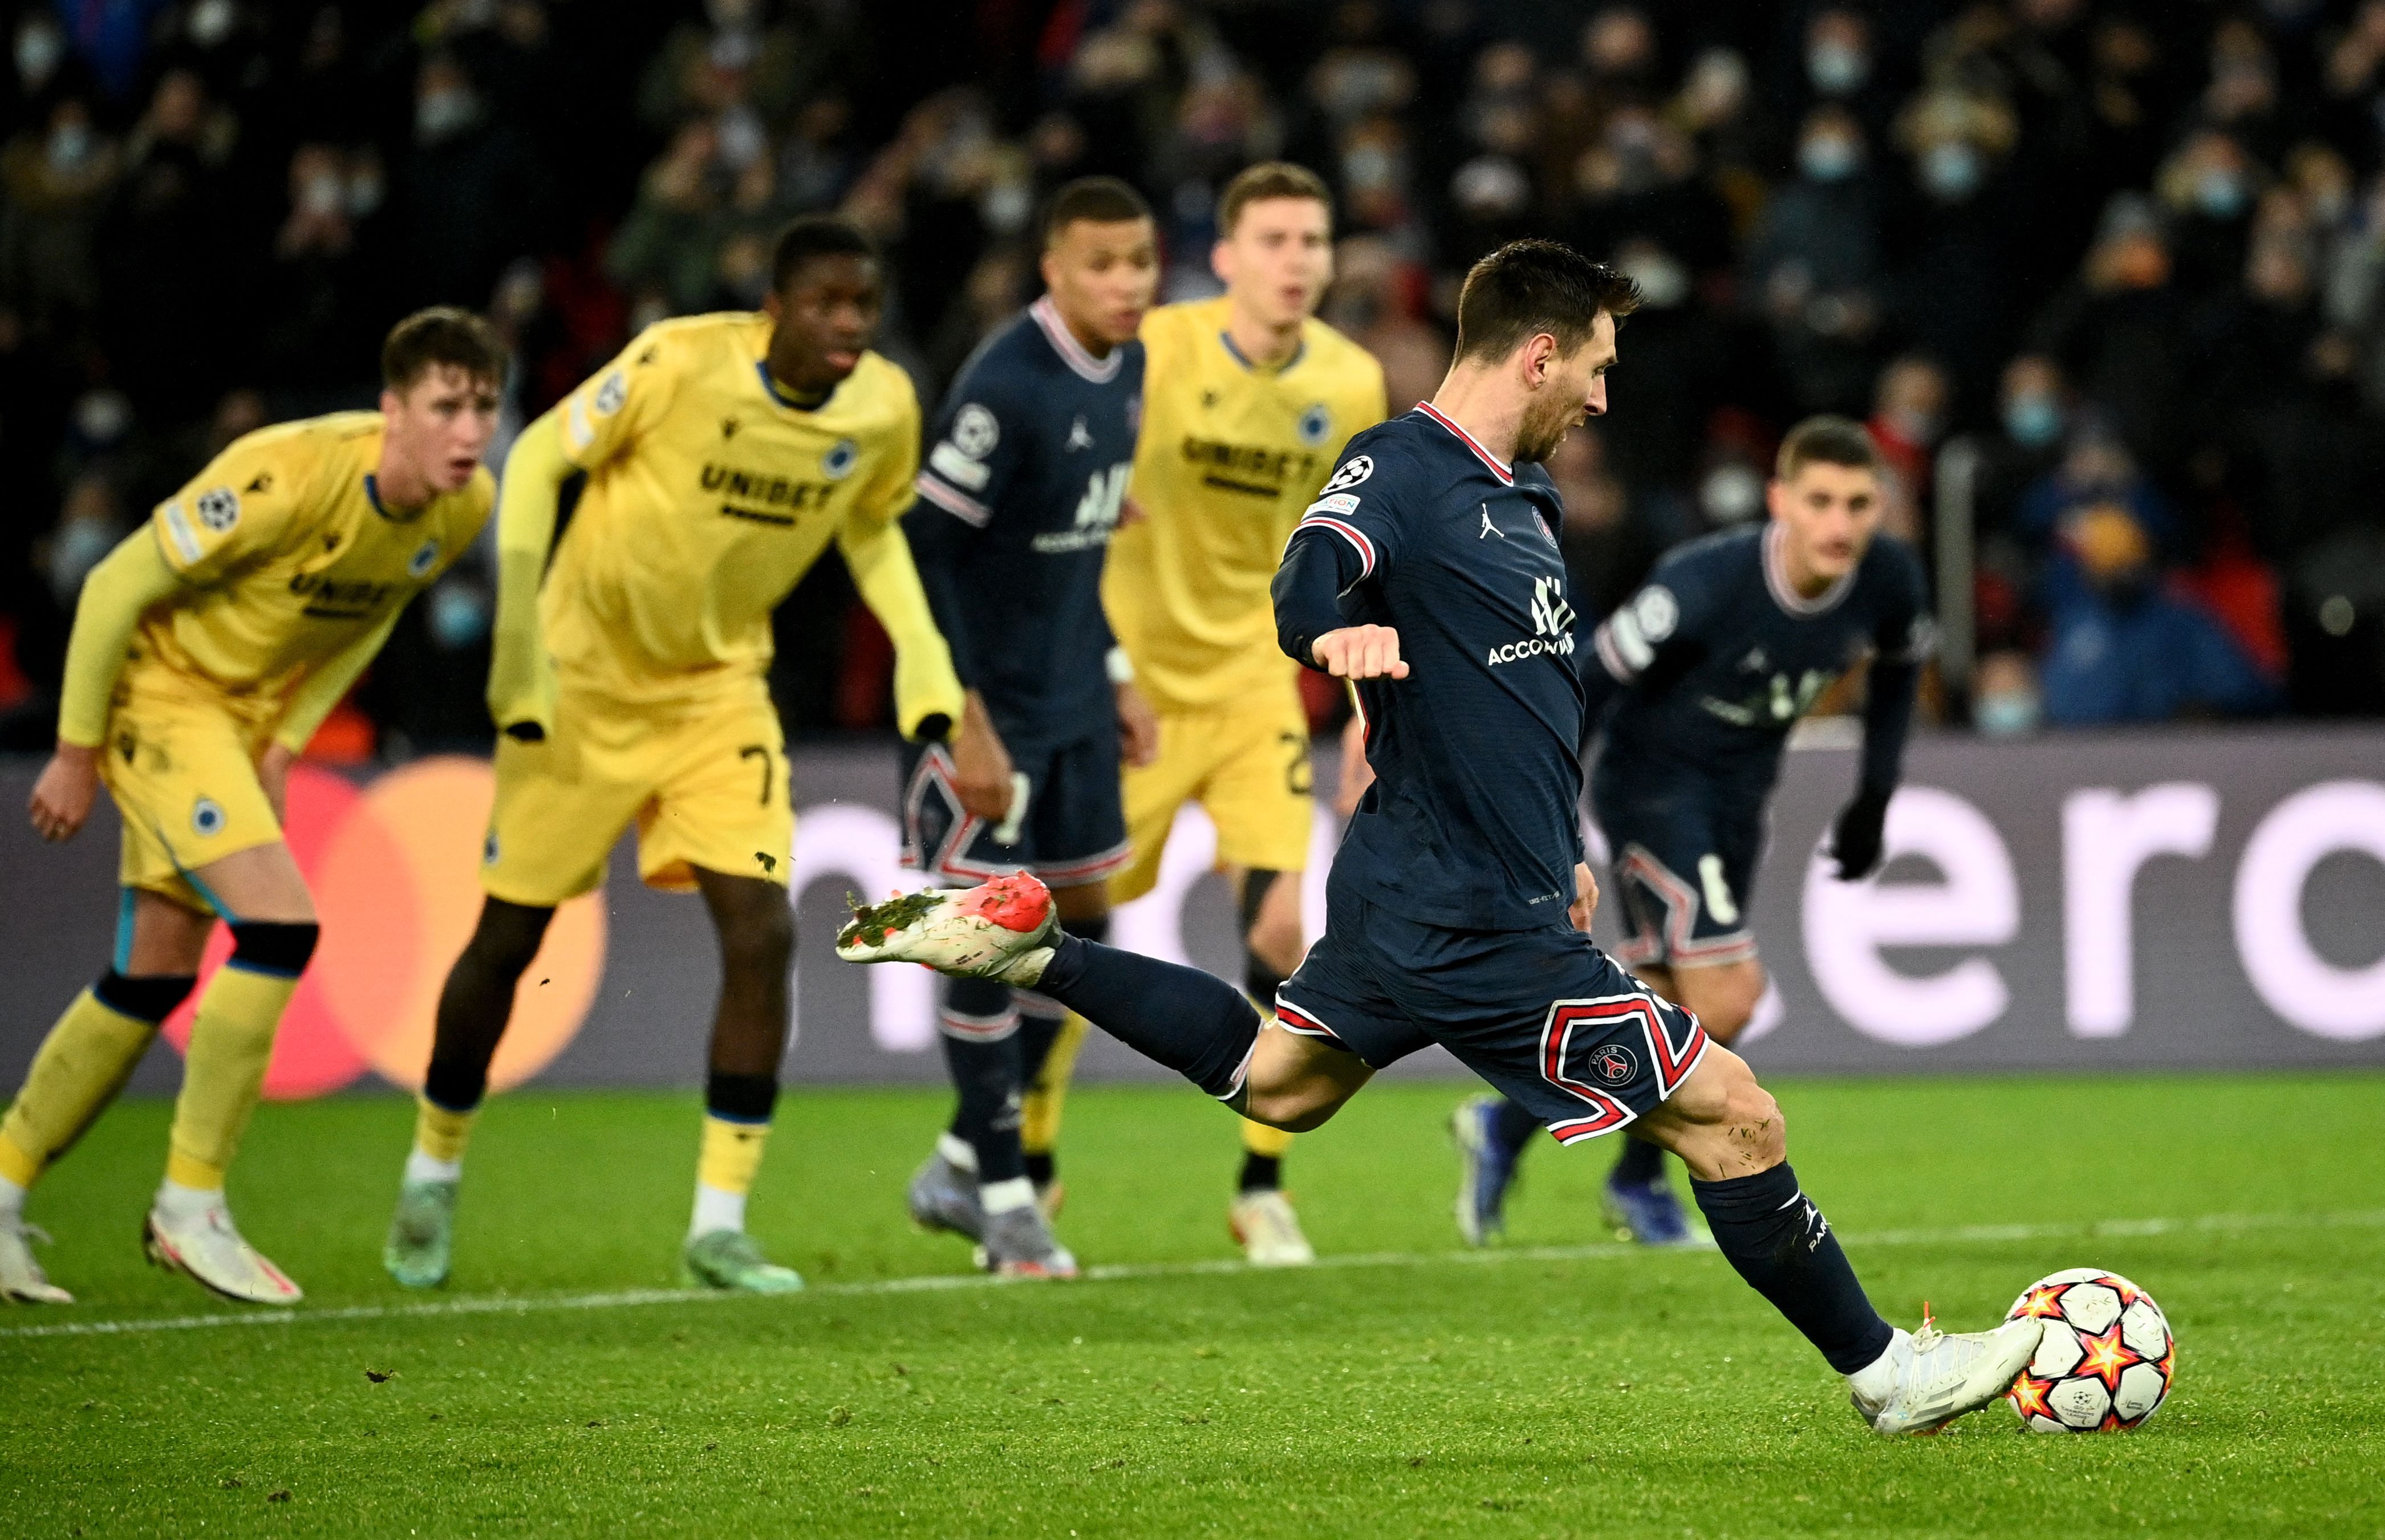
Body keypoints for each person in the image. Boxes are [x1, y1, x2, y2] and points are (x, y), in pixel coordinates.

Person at [839, 239, 2041, 1436]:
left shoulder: (1525, 493)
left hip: (1431, 887)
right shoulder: (1400, 466)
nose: (1604, 395)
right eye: (1596, 367)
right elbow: (1308, 578)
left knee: (1283, 1083)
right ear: (1537, 355)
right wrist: (1332, 641)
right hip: (1469, 914)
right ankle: (1889, 1374)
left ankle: (1038, 954)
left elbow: (1523, 696)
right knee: (1736, 1118)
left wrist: (1560, 839)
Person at [382, 217, 963, 1294]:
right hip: (582, 682)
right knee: (509, 936)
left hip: (717, 692)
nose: (849, 325)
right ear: (773, 308)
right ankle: (434, 1167)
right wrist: (517, 640)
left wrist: (923, 658)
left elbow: (872, 529)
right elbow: (544, 455)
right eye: (828, 304)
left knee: (761, 928)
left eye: (864, 306)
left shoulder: (882, 403)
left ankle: (720, 1222)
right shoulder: (678, 361)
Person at [2, 309, 504, 1305]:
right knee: (280, 923)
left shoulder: (459, 506)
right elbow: (112, 584)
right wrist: (75, 749)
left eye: (484, 406)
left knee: (152, 975)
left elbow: (371, 614)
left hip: (237, 724)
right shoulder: (285, 473)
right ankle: (191, 1204)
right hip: (164, 698)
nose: (468, 430)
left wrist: (285, 738)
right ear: (391, 408)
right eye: (446, 406)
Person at [1451, 415, 1929, 1248]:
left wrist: (1873, 797)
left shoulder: (1888, 579)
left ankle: (1512, 1123)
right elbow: (1589, 684)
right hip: (1652, 786)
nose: (1839, 524)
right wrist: (1555, 829)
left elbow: (1897, 674)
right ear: (1778, 500)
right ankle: (1636, 1178)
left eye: (1859, 504)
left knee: (1674, 1002)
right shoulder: (1703, 583)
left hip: (1740, 796)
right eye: (1818, 500)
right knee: (1729, 992)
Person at [1044, 161, 1386, 1265]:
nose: (1297, 261)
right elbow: (1063, 464)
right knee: (1066, 921)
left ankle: (1260, 1185)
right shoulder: (1158, 348)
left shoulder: (1352, 380)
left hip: (1252, 680)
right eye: (1275, 240)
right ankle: (1028, 1167)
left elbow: (1351, 558)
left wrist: (1368, 710)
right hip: (1133, 683)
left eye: (1314, 241)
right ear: (1228, 256)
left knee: (1283, 931)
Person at [899, 177, 1162, 1278]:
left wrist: (1113, 669)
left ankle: (961, 1156)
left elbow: (1074, 543)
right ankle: (1006, 1198)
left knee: (1084, 919)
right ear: (1051, 266)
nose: (1126, 284)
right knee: (988, 940)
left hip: (1071, 698)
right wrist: (961, 716)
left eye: (1141, 261)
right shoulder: (1002, 385)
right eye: (1102, 263)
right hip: (988, 712)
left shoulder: (1129, 368)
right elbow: (923, 545)